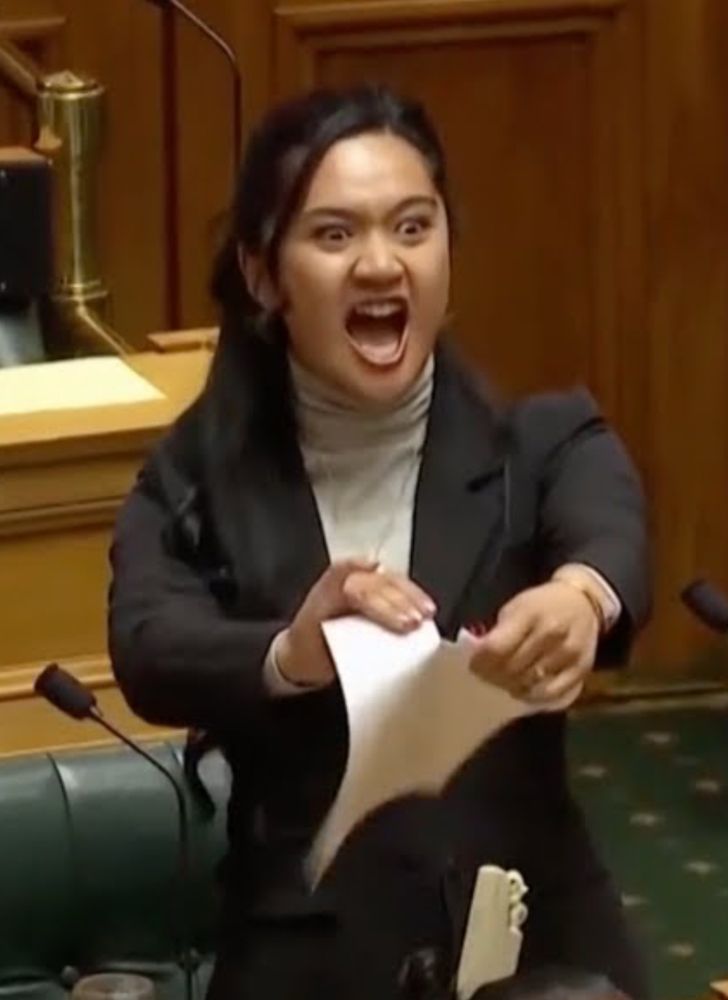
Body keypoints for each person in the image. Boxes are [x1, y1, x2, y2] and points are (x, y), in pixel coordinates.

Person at [108, 84, 651, 1000]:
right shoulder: (195, 483)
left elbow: (611, 531)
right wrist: (293, 651)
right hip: (311, 959)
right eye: (333, 236)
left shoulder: (541, 441)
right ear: (262, 276)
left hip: (540, 945)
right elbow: (149, 645)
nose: (381, 265)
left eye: (412, 227)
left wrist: (578, 597)